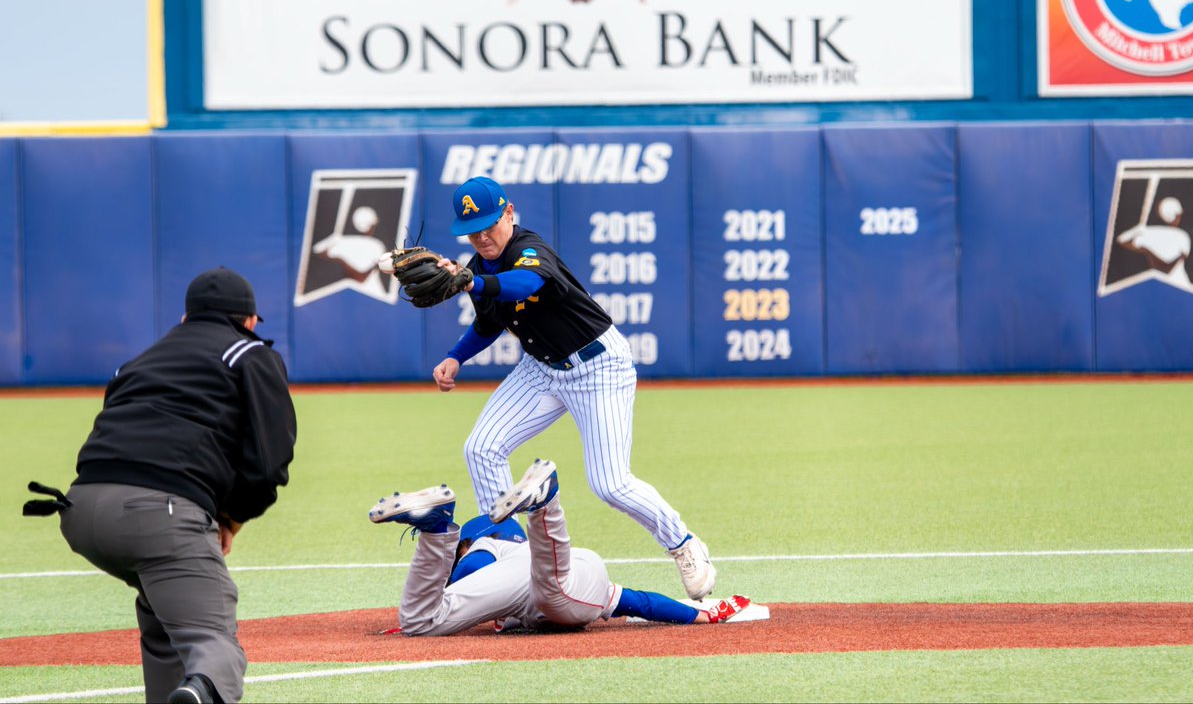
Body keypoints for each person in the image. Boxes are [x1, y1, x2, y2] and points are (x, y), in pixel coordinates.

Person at [429, 175, 717, 601]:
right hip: (541, 369)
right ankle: (513, 566)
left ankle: (683, 543)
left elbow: (526, 283)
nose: (482, 236)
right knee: (481, 448)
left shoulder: (530, 250)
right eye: (472, 230)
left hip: (598, 365)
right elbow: (490, 322)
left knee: (610, 483)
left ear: (509, 212)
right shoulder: (477, 270)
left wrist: (473, 283)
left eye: (490, 224)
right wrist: (456, 356)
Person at [55, 268, 297, 704]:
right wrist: (232, 517)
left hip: (79, 507)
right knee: (214, 645)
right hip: (156, 514)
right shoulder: (248, 352)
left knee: (163, 614)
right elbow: (269, 462)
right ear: (249, 321)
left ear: (186, 319)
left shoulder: (143, 358)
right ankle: (201, 693)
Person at [369, 458, 750, 635]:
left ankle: (541, 504)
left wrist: (698, 616)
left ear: (462, 549)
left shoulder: (481, 557)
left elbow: (468, 573)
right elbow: (639, 601)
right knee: (550, 591)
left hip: (562, 579)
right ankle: (445, 527)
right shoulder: (496, 545)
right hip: (572, 569)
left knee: (551, 594)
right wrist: (698, 615)